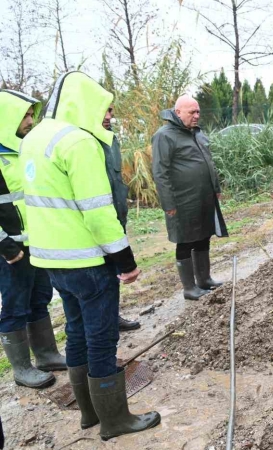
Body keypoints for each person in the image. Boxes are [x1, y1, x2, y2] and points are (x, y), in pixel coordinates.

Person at [20, 71, 160, 440]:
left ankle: (89, 414)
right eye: (103, 109)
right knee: (101, 338)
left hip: (52, 261)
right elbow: (98, 211)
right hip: (86, 261)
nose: (107, 116)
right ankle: (115, 421)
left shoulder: (34, 138)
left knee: (78, 332)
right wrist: (125, 262)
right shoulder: (78, 142)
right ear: (82, 103)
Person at [0, 89, 67, 389]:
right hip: (10, 248)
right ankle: (21, 368)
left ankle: (47, 354)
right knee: (15, 305)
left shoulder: (23, 149)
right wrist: (5, 246)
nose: (30, 121)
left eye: (31, 115)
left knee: (40, 298)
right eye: (24, 116)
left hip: (36, 241)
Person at [151, 94, 228, 301]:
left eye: (198, 111)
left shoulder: (196, 133)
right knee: (185, 241)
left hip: (204, 196)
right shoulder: (164, 135)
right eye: (191, 112)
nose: (196, 116)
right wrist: (168, 203)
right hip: (182, 200)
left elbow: (208, 162)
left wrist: (216, 187)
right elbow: (160, 172)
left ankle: (204, 279)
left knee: (204, 235)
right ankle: (189, 288)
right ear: (178, 113)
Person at [101, 104, 141, 332]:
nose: (109, 116)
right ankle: (104, 323)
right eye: (103, 111)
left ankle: (113, 316)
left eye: (111, 111)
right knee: (97, 282)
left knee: (112, 274)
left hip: (115, 218)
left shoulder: (111, 140)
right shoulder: (84, 143)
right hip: (98, 221)